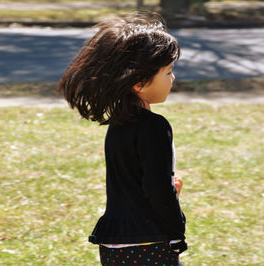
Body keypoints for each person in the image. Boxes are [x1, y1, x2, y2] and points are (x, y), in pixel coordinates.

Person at [58, 12, 187, 266]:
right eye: (168, 72)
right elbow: (157, 189)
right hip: (149, 242)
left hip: (113, 244)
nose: (173, 79)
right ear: (139, 82)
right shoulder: (156, 127)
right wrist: (177, 231)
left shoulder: (117, 124)